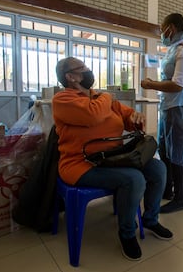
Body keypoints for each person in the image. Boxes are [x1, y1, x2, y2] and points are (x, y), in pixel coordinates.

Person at [52, 57, 172, 261]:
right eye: (82, 69)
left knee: (158, 169)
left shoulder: (98, 97)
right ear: (70, 77)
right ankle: (126, 233)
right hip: (81, 164)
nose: (88, 71)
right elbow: (93, 115)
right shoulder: (63, 100)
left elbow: (125, 115)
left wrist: (136, 118)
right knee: (134, 179)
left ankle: (150, 219)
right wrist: (107, 96)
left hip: (113, 157)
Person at [141, 13, 183, 213]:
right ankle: (167, 189)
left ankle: (180, 199)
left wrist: (150, 84)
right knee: (164, 150)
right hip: (169, 107)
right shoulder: (173, 49)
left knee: (176, 154)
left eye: (162, 28)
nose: (161, 32)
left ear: (170, 29)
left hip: (180, 107)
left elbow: (177, 85)